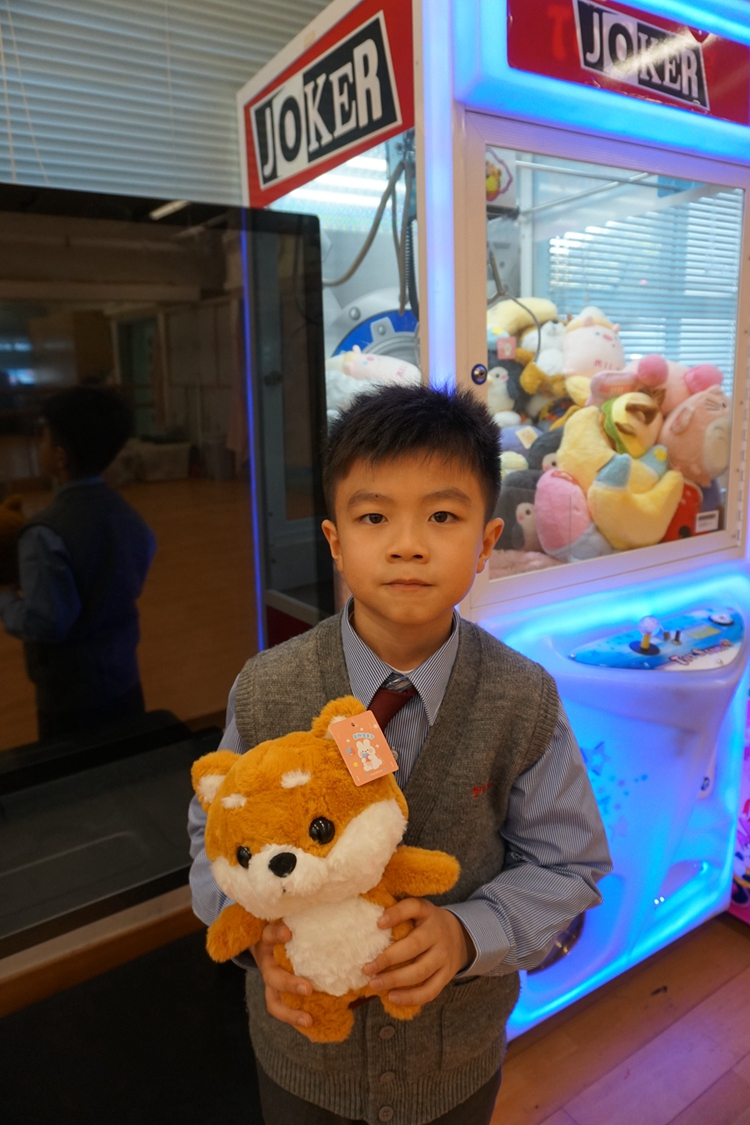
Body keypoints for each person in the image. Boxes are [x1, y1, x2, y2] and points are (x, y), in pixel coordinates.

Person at [188, 384, 612, 1125]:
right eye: (374, 516)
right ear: (335, 541)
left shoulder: (522, 698)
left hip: (453, 1068)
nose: (407, 543)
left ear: (487, 542)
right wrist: (259, 941)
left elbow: (569, 865)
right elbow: (210, 838)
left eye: (442, 516)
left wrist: (468, 932)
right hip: (302, 1061)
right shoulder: (266, 688)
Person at [0, 386, 155, 740]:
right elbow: (140, 561)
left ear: (60, 457)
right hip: (124, 677)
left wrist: (6, 598)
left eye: (42, 437)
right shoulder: (127, 514)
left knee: (76, 768)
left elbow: (47, 623)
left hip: (69, 696)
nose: (38, 444)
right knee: (128, 759)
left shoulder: (43, 532)